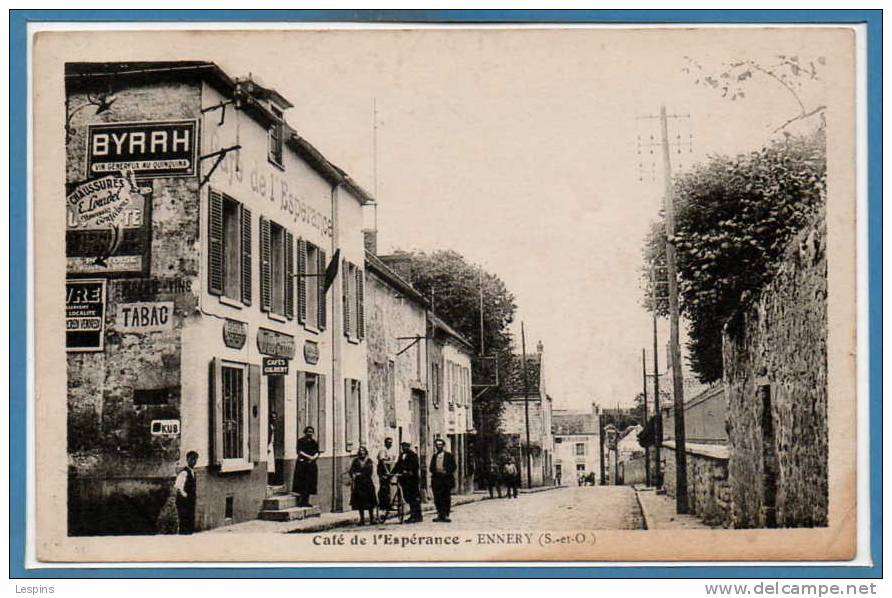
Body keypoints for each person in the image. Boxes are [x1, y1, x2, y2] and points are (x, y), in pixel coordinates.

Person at [429, 438, 457, 522]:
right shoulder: (434, 456)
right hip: (437, 479)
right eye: (437, 445)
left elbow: (454, 466)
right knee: (437, 498)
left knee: (446, 497)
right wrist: (435, 471)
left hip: (446, 480)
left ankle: (446, 515)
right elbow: (431, 468)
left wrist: (447, 471)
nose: (439, 446)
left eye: (440, 445)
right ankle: (439, 514)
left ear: (443, 446)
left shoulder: (449, 456)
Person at [394, 441, 422, 523]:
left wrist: (409, 471)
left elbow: (415, 466)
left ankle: (417, 516)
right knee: (408, 498)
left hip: (412, 480)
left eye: (406, 446)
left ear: (408, 446)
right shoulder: (402, 455)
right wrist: (392, 472)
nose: (404, 448)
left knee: (414, 498)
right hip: (404, 480)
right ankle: (413, 515)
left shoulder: (413, 455)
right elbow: (398, 465)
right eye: (403, 446)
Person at [349, 446, 377, 525]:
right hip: (359, 485)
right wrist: (353, 474)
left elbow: (369, 472)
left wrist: (358, 474)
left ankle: (372, 518)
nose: (362, 452)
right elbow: (351, 470)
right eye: (360, 451)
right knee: (360, 502)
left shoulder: (369, 461)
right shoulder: (356, 461)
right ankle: (362, 520)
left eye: (363, 451)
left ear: (365, 452)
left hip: (367, 484)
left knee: (370, 502)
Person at [293, 426, 321, 507]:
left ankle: (306, 501)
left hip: (311, 465)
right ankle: (301, 501)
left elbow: (317, 452)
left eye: (311, 432)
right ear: (305, 432)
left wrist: (314, 457)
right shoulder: (301, 441)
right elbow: (299, 451)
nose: (310, 433)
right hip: (302, 464)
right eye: (308, 432)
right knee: (302, 482)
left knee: (310, 483)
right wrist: (309, 457)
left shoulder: (314, 442)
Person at [174, 450, 199, 534]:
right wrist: (185, 495)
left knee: (190, 519)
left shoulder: (193, 472)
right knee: (184, 520)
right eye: (192, 459)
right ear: (187, 459)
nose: (193, 461)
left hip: (190, 501)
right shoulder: (184, 472)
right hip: (184, 502)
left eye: (195, 459)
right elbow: (178, 486)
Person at [376, 437, 396, 522]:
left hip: (390, 469)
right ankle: (383, 504)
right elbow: (383, 462)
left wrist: (393, 471)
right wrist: (386, 472)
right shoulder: (382, 450)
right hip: (383, 470)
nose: (389, 444)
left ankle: (390, 503)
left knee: (389, 487)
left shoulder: (392, 450)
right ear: (385, 443)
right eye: (388, 442)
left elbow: (393, 460)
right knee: (384, 487)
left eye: (391, 442)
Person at [267, 411, 278, 485]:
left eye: (275, 417)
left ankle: (271, 482)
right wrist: (267, 446)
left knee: (271, 464)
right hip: (268, 446)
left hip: (271, 445)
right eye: (272, 417)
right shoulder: (268, 426)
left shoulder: (273, 426)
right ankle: (268, 482)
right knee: (269, 463)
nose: (274, 419)